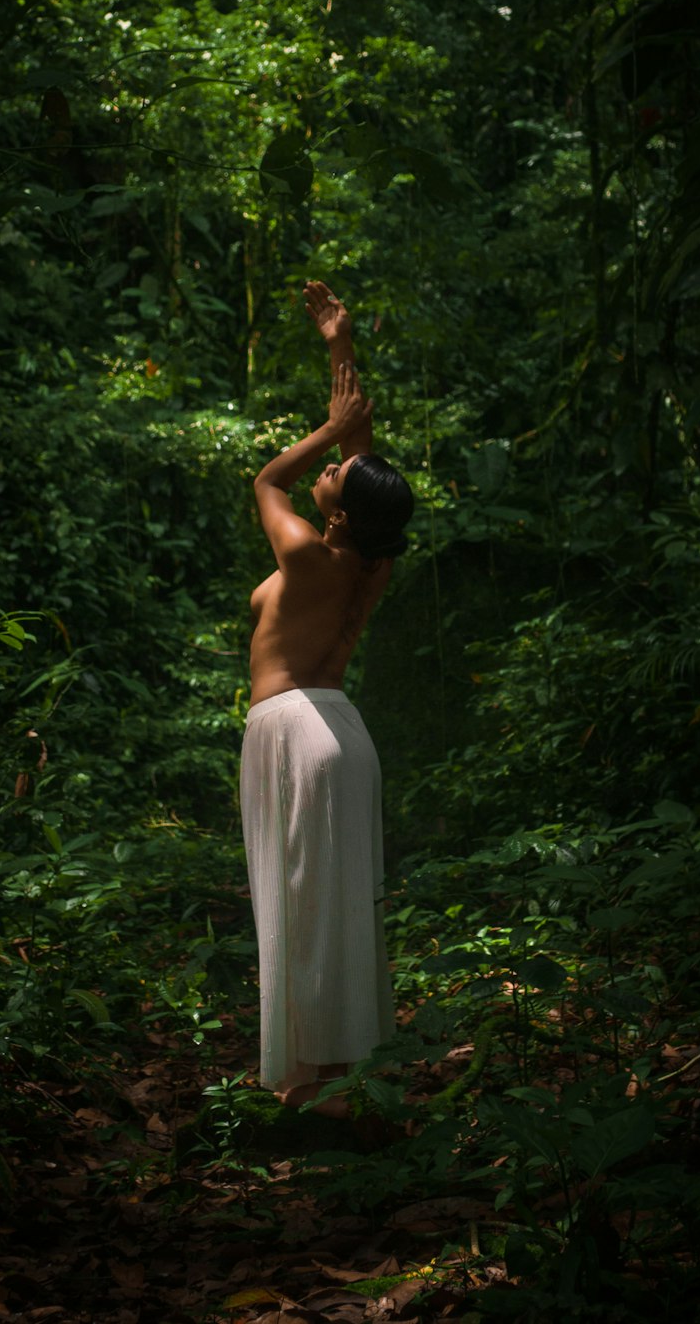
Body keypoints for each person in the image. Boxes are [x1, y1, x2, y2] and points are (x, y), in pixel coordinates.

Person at [240, 279, 414, 1111]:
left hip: (292, 732)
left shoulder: (309, 554)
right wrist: (339, 347)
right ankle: (340, 1077)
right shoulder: (368, 561)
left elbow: (268, 482)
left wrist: (327, 433)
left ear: (341, 512)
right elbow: (368, 469)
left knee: (296, 899)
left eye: (339, 473)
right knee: (337, 901)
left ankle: (308, 1084)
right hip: (341, 730)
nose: (336, 471)